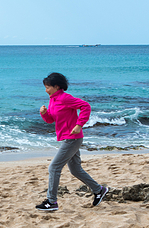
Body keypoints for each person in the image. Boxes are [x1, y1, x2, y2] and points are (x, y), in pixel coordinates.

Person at [36, 72, 108, 212]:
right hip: (68, 138)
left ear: (56, 86)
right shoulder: (53, 100)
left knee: (54, 167)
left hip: (72, 138)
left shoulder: (65, 98)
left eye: (48, 87)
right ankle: (99, 190)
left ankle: (51, 202)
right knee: (75, 170)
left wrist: (79, 124)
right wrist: (44, 113)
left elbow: (86, 106)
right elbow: (51, 119)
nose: (46, 90)